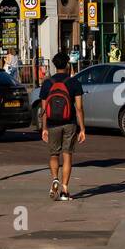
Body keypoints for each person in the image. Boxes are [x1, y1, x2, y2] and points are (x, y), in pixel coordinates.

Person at [38, 50, 86, 202]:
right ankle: (65, 190)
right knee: (67, 155)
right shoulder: (74, 83)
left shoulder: (47, 83)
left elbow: (44, 109)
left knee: (54, 154)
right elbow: (79, 108)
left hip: (52, 124)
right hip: (69, 123)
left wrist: (44, 128)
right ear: (67, 65)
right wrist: (83, 128)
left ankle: (54, 179)